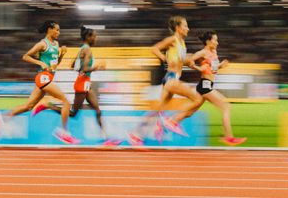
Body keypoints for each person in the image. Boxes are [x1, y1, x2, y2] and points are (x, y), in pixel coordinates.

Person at [0, 21, 78, 144]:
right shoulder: (42, 44)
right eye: (57, 30)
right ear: (50, 29)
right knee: (66, 102)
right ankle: (64, 133)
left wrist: (62, 55)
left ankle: (0, 118)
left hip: (48, 77)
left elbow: (55, 66)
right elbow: (25, 56)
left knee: (28, 106)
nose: (59, 32)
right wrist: (41, 63)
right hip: (43, 78)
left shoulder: (56, 44)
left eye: (59, 30)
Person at [129, 16, 203, 146]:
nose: (188, 28)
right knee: (198, 98)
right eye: (185, 26)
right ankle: (172, 121)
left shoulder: (182, 42)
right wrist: (164, 58)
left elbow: (180, 60)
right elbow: (154, 48)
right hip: (171, 78)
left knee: (157, 110)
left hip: (171, 79)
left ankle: (136, 135)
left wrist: (189, 61)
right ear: (178, 28)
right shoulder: (172, 39)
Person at [42, 26, 122, 145]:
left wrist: (86, 69)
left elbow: (73, 66)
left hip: (85, 84)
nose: (96, 38)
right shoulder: (87, 49)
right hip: (81, 84)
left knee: (98, 111)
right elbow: (84, 68)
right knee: (73, 113)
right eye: (94, 36)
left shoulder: (82, 49)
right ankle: (48, 106)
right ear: (88, 37)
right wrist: (97, 66)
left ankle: (106, 139)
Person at [188, 30, 246, 146]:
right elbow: (190, 60)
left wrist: (221, 66)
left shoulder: (213, 52)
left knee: (189, 112)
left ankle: (169, 123)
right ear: (208, 41)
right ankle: (228, 137)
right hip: (205, 86)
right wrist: (199, 68)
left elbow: (213, 69)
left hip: (208, 85)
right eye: (215, 40)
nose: (217, 43)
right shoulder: (202, 52)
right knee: (226, 107)